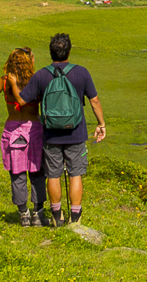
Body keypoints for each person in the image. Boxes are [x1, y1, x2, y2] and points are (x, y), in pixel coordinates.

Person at [19, 31, 106, 228]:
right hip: (76, 133)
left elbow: (23, 99)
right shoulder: (81, 72)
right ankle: (75, 217)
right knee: (75, 174)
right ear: (69, 51)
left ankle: (57, 216)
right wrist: (101, 124)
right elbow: (94, 100)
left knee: (53, 174)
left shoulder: (41, 75)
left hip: (51, 134)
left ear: (50, 52)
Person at [0, 47, 45, 226]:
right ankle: (38, 212)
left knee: (17, 172)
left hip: (13, 129)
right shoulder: (36, 81)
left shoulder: (5, 81)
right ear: (28, 62)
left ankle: (23, 212)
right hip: (34, 128)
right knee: (37, 172)